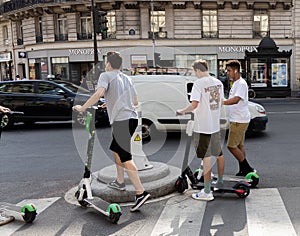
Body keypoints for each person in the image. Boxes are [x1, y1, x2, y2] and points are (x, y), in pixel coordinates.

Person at [73, 51, 150, 211]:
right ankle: (120, 181)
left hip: (122, 120)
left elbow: (99, 93)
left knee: (125, 156)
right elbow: (134, 100)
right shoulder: (126, 78)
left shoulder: (106, 75)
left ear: (108, 63)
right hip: (131, 118)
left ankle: (140, 192)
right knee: (115, 149)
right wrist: (111, 103)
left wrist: (82, 108)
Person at [176, 59, 224, 201]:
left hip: (203, 126)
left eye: (194, 72)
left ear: (197, 70)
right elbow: (220, 102)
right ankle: (220, 181)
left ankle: (207, 191)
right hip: (215, 125)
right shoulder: (218, 82)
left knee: (206, 157)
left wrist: (182, 111)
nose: (194, 74)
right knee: (219, 154)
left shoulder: (199, 83)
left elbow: (194, 104)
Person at [223, 60, 255, 176]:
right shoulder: (236, 83)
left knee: (231, 146)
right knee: (240, 145)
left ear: (236, 70)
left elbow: (236, 99)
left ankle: (247, 168)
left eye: (229, 71)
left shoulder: (241, 84)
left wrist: (222, 102)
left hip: (239, 120)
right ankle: (243, 169)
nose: (228, 73)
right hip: (238, 119)